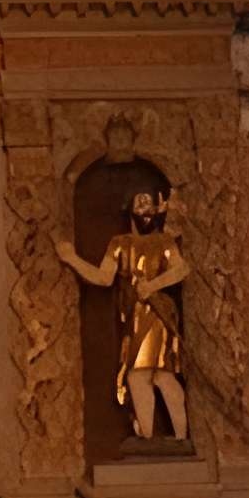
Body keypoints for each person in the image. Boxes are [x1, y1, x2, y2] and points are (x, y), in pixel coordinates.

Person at [57, 188, 189, 441]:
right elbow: (103, 277)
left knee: (147, 374)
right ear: (130, 210)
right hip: (134, 315)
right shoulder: (120, 243)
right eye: (139, 204)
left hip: (156, 312)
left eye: (149, 205)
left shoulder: (164, 242)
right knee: (153, 375)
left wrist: (153, 285)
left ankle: (168, 437)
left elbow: (181, 269)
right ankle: (161, 437)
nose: (145, 209)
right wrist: (72, 259)